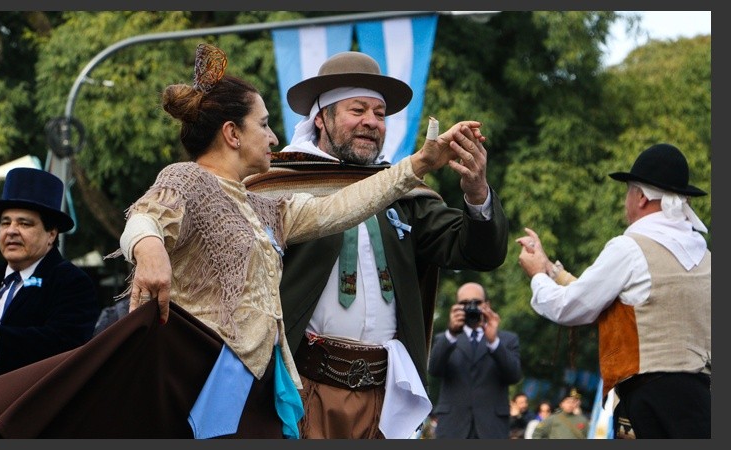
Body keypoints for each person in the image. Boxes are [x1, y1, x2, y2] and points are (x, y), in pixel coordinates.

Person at [0, 43, 482, 439]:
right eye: (265, 124)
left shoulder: (264, 205)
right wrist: (150, 250)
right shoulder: (187, 179)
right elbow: (143, 218)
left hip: (260, 379)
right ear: (233, 133)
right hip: (204, 371)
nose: (274, 137)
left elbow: (343, 206)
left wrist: (418, 164)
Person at [243, 51, 509, 439]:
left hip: (385, 399)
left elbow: (477, 252)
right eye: (357, 110)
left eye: (380, 114)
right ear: (321, 118)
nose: (371, 122)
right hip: (301, 389)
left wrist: (476, 191)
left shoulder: (404, 194)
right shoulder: (278, 188)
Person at [516, 143, 711, 439]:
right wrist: (551, 270)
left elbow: (569, 307)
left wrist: (536, 276)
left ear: (641, 197)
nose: (626, 201)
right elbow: (620, 304)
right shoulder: (707, 257)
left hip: (648, 401)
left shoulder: (630, 247)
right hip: (702, 401)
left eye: (628, 191)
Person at [0, 167, 99, 388]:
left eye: (24, 223)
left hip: (34, 415)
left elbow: (64, 345)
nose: (11, 231)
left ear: (51, 234)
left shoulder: (72, 282)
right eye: (5, 222)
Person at [427, 282, 522, 439]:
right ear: (456, 307)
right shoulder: (445, 339)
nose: (471, 307)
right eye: (464, 303)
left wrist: (494, 342)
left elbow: (514, 375)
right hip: (453, 427)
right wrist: (451, 333)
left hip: (491, 428)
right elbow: (434, 369)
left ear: (487, 305)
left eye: (476, 303)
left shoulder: (506, 340)